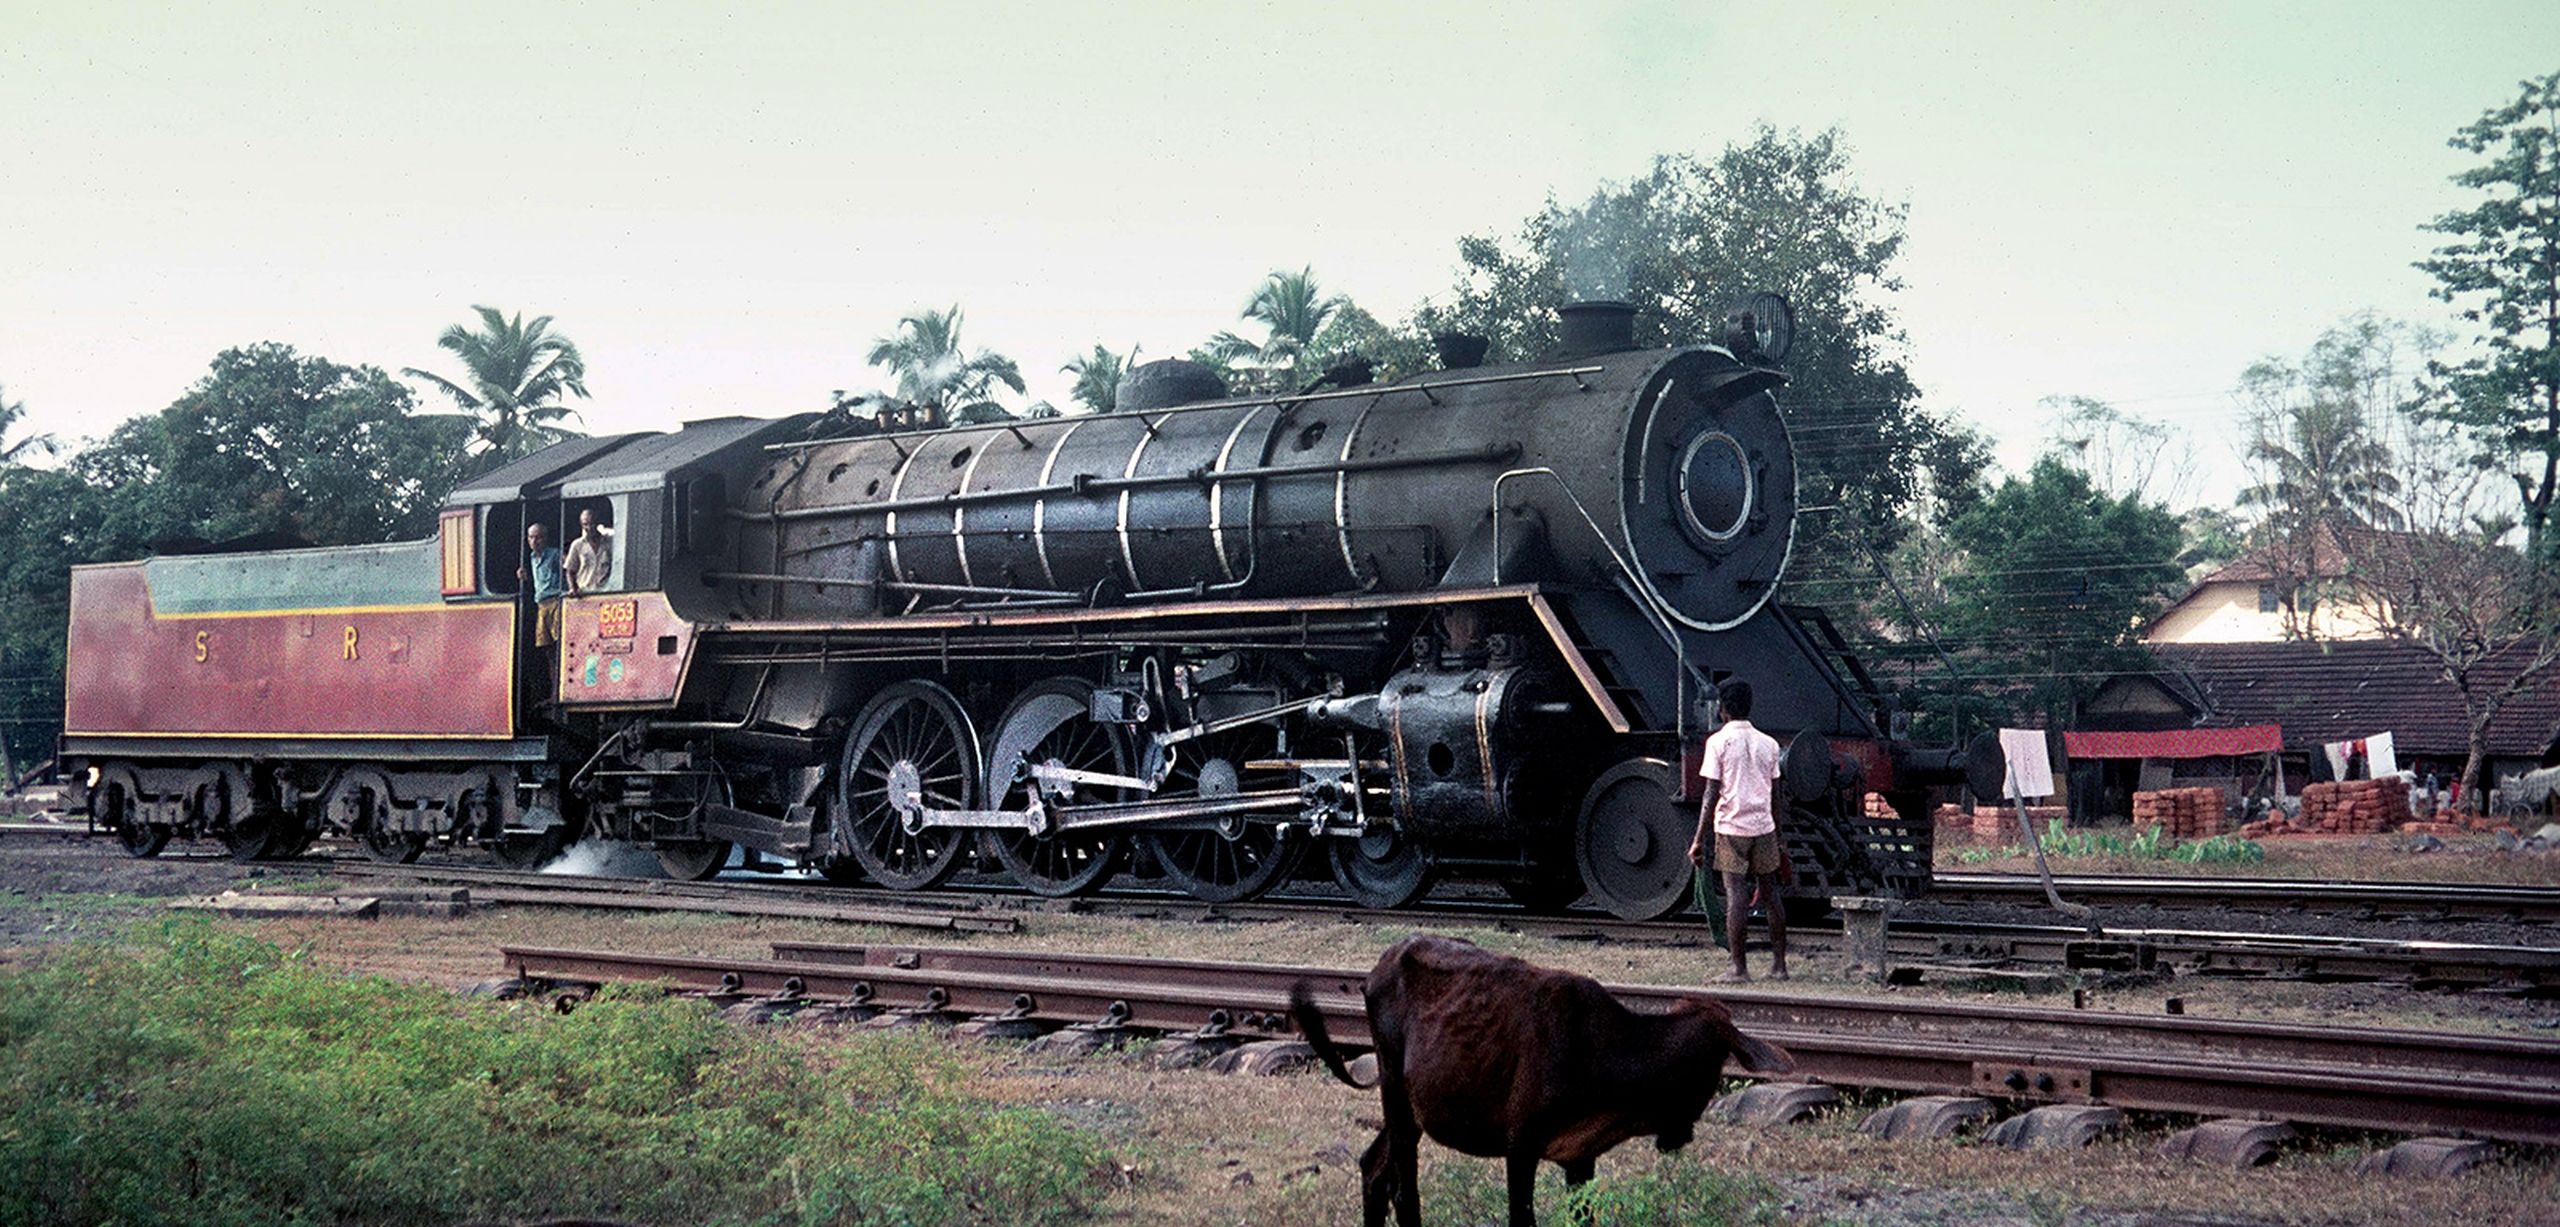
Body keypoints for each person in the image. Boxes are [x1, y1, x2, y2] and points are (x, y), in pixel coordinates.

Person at [1685, 680, 1788, 981]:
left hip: (1731, 828)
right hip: (1764, 827)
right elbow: (1775, 796)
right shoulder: (1769, 744)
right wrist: (1779, 838)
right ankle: (1779, 966)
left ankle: (1738, 968)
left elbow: (1710, 794)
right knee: (1771, 896)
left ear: (1724, 708)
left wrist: (1698, 839)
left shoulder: (1717, 743)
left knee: (1735, 894)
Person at [518, 522, 566, 650]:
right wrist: (525, 578)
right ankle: (551, 670)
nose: (534, 541)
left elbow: (567, 568)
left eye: (538, 537)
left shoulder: (555, 554)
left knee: (558, 642)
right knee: (545, 645)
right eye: (531, 537)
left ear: (545, 538)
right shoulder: (532, 557)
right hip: (541, 604)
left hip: (555, 602)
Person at [565, 507, 613, 595]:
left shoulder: (609, 543)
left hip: (606, 592)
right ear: (581, 525)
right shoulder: (577, 545)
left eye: (593, 524)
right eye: (586, 524)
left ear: (598, 523)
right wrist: (572, 588)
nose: (590, 528)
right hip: (585, 594)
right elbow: (570, 571)